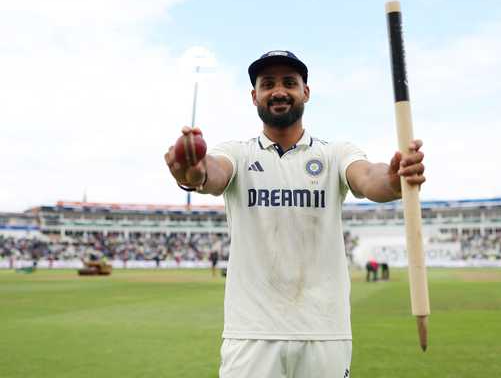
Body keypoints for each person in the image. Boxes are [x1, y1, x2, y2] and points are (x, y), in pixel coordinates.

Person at [164, 50, 426, 378]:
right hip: (251, 334)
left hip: (324, 332)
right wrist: (193, 171)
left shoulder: (335, 153)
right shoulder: (237, 153)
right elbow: (211, 173)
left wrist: (393, 178)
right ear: (254, 96)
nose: (278, 91)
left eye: (289, 83)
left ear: (306, 92)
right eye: (268, 84)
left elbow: (370, 178)